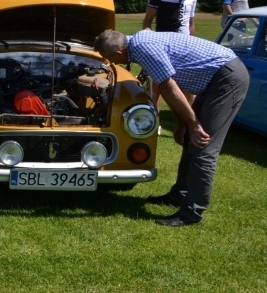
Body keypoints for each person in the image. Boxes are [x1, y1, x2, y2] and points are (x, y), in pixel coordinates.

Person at [94, 29, 249, 227]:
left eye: (111, 59)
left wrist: (193, 123)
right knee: (191, 139)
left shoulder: (142, 48)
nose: (112, 63)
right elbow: (170, 87)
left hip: (226, 79)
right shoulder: (139, 43)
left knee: (204, 145)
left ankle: (192, 213)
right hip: (217, 78)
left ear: (118, 53)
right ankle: (180, 195)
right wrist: (182, 123)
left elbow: (169, 86)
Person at [141, 0, 206, 128]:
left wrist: (193, 43)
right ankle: (153, 122)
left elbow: (190, 23)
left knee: (188, 86)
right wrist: (149, 40)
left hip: (184, 46)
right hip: (164, 46)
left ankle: (186, 124)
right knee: (157, 86)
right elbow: (147, 20)